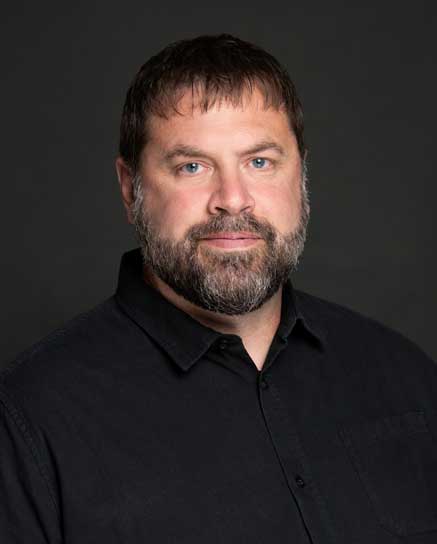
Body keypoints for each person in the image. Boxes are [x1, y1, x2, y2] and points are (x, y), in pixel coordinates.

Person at [1, 33, 436, 544]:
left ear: (301, 177)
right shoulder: (28, 421)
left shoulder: (407, 376)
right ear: (129, 188)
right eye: (192, 166)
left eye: (259, 162)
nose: (233, 200)